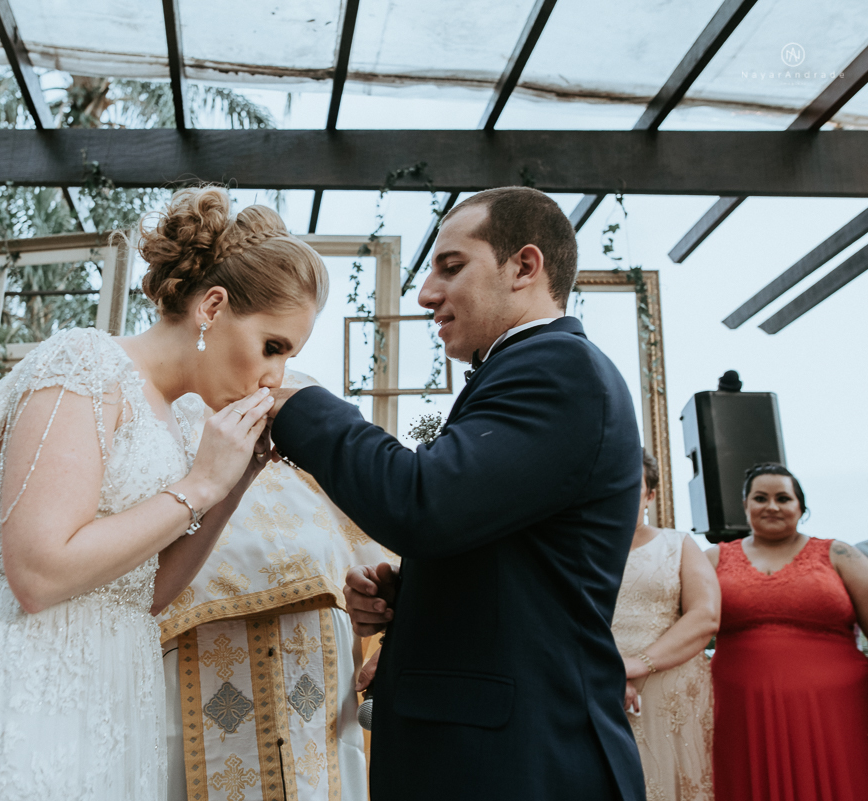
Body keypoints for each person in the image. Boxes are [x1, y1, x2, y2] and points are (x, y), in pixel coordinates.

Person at [0, 185, 328, 801]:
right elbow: (37, 572)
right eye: (272, 347)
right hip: (22, 680)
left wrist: (233, 483)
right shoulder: (86, 365)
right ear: (213, 307)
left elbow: (149, 592)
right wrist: (199, 485)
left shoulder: (184, 422)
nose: (274, 376)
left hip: (114, 690)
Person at [272, 187, 645, 800]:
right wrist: (413, 594)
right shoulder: (526, 369)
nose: (425, 294)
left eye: (452, 267)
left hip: (521, 763)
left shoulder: (557, 368)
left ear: (525, 267)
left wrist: (300, 406)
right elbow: (507, 552)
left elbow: (424, 503)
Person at [158, 369, 397, 801]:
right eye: (273, 345)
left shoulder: (301, 406)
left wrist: (399, 635)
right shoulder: (160, 413)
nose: (274, 369)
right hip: (187, 663)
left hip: (314, 675)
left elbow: (383, 552)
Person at [706, 463, 868, 801]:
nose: (772, 506)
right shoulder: (712, 560)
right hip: (740, 711)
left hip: (837, 711)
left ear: (801, 507)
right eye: (760, 498)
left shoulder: (840, 554)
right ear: (745, 505)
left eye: (783, 498)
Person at [612, 450, 719, 801]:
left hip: (668, 689)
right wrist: (609, 671)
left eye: (634, 484)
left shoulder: (679, 545)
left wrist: (636, 664)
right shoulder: (575, 551)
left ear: (650, 494)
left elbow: (705, 617)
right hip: (597, 686)